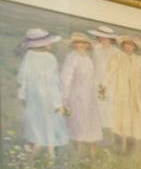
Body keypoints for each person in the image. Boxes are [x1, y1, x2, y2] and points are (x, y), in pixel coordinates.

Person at [14, 27, 69, 159]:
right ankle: (49, 154)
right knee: (50, 122)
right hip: (47, 96)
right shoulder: (50, 58)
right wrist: (58, 103)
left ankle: (40, 153)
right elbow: (53, 82)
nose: (51, 44)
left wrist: (23, 95)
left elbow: (22, 78)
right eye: (49, 42)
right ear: (43, 44)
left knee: (37, 122)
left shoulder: (29, 56)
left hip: (33, 96)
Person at [108, 35, 141, 153]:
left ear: (134, 47)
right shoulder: (117, 57)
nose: (129, 46)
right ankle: (122, 148)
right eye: (126, 44)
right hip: (122, 93)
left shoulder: (137, 59)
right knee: (123, 118)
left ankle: (136, 150)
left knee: (136, 118)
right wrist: (104, 86)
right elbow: (110, 72)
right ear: (123, 45)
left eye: (132, 45)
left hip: (135, 93)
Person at [60, 32, 103, 151]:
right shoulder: (71, 57)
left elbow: (92, 77)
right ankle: (78, 153)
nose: (81, 45)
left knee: (91, 121)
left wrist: (98, 89)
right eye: (78, 42)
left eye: (84, 43)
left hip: (89, 95)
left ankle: (93, 153)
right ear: (73, 44)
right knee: (78, 122)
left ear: (88, 45)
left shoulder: (88, 58)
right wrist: (65, 96)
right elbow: (65, 77)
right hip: (76, 94)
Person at [88, 25, 119, 140]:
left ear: (111, 39)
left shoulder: (115, 52)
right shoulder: (97, 48)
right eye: (100, 37)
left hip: (109, 82)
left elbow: (112, 70)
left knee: (108, 106)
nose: (102, 39)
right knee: (97, 105)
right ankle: (97, 132)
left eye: (105, 37)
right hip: (96, 80)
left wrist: (105, 84)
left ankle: (109, 134)